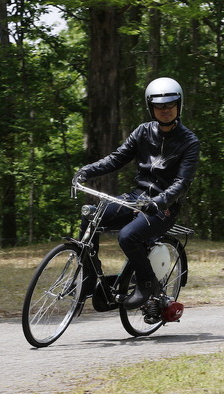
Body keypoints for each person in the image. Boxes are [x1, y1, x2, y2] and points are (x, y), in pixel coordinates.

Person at [73, 77, 200, 309]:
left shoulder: (189, 141)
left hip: (164, 207)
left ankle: (146, 282)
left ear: (179, 105)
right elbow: (116, 158)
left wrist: (160, 201)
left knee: (128, 236)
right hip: (136, 198)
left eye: (171, 105)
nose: (165, 110)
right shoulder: (142, 132)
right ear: (150, 107)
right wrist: (86, 171)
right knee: (90, 216)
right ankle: (91, 277)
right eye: (159, 106)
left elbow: (182, 182)